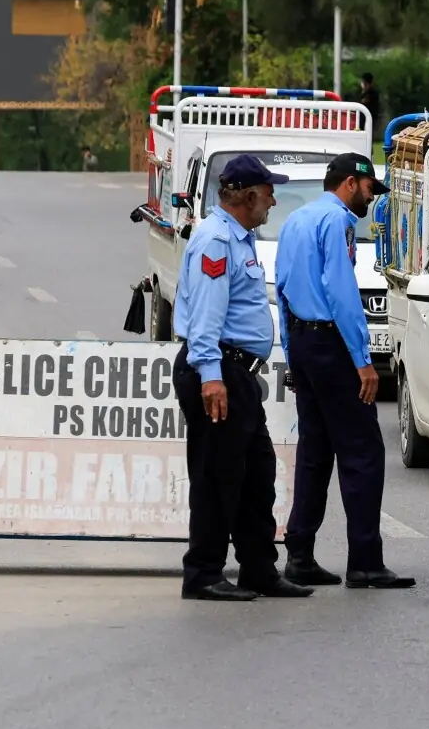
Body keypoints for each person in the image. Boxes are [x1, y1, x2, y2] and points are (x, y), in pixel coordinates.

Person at [172, 154, 313, 602]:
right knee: (218, 477)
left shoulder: (239, 238)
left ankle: (258, 570)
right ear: (248, 196)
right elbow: (206, 318)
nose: (273, 200)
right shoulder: (216, 241)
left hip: (236, 372)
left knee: (256, 474)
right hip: (217, 371)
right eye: (269, 192)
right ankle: (203, 574)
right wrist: (211, 378)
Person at [275, 152, 415, 590]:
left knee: (315, 453)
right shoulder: (338, 223)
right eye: (371, 189)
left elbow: (281, 287)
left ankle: (299, 554)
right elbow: (340, 292)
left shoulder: (296, 220)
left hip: (303, 340)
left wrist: (292, 352)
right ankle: (366, 561)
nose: (372, 199)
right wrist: (362, 361)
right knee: (363, 452)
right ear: (352, 183)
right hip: (332, 345)